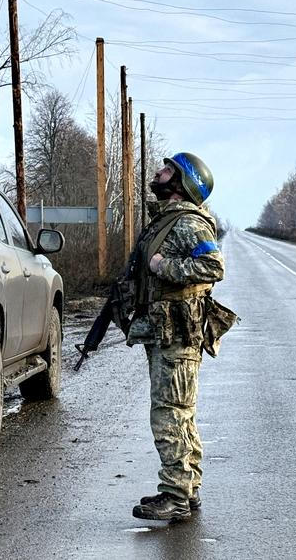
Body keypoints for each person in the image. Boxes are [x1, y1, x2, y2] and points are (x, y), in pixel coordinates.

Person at [127, 152, 224, 521]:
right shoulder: (166, 220)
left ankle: (176, 495)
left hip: (178, 334)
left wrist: (162, 266)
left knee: (170, 413)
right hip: (165, 331)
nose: (158, 172)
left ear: (181, 185)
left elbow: (214, 266)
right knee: (180, 413)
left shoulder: (188, 223)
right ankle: (188, 489)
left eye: (167, 170)